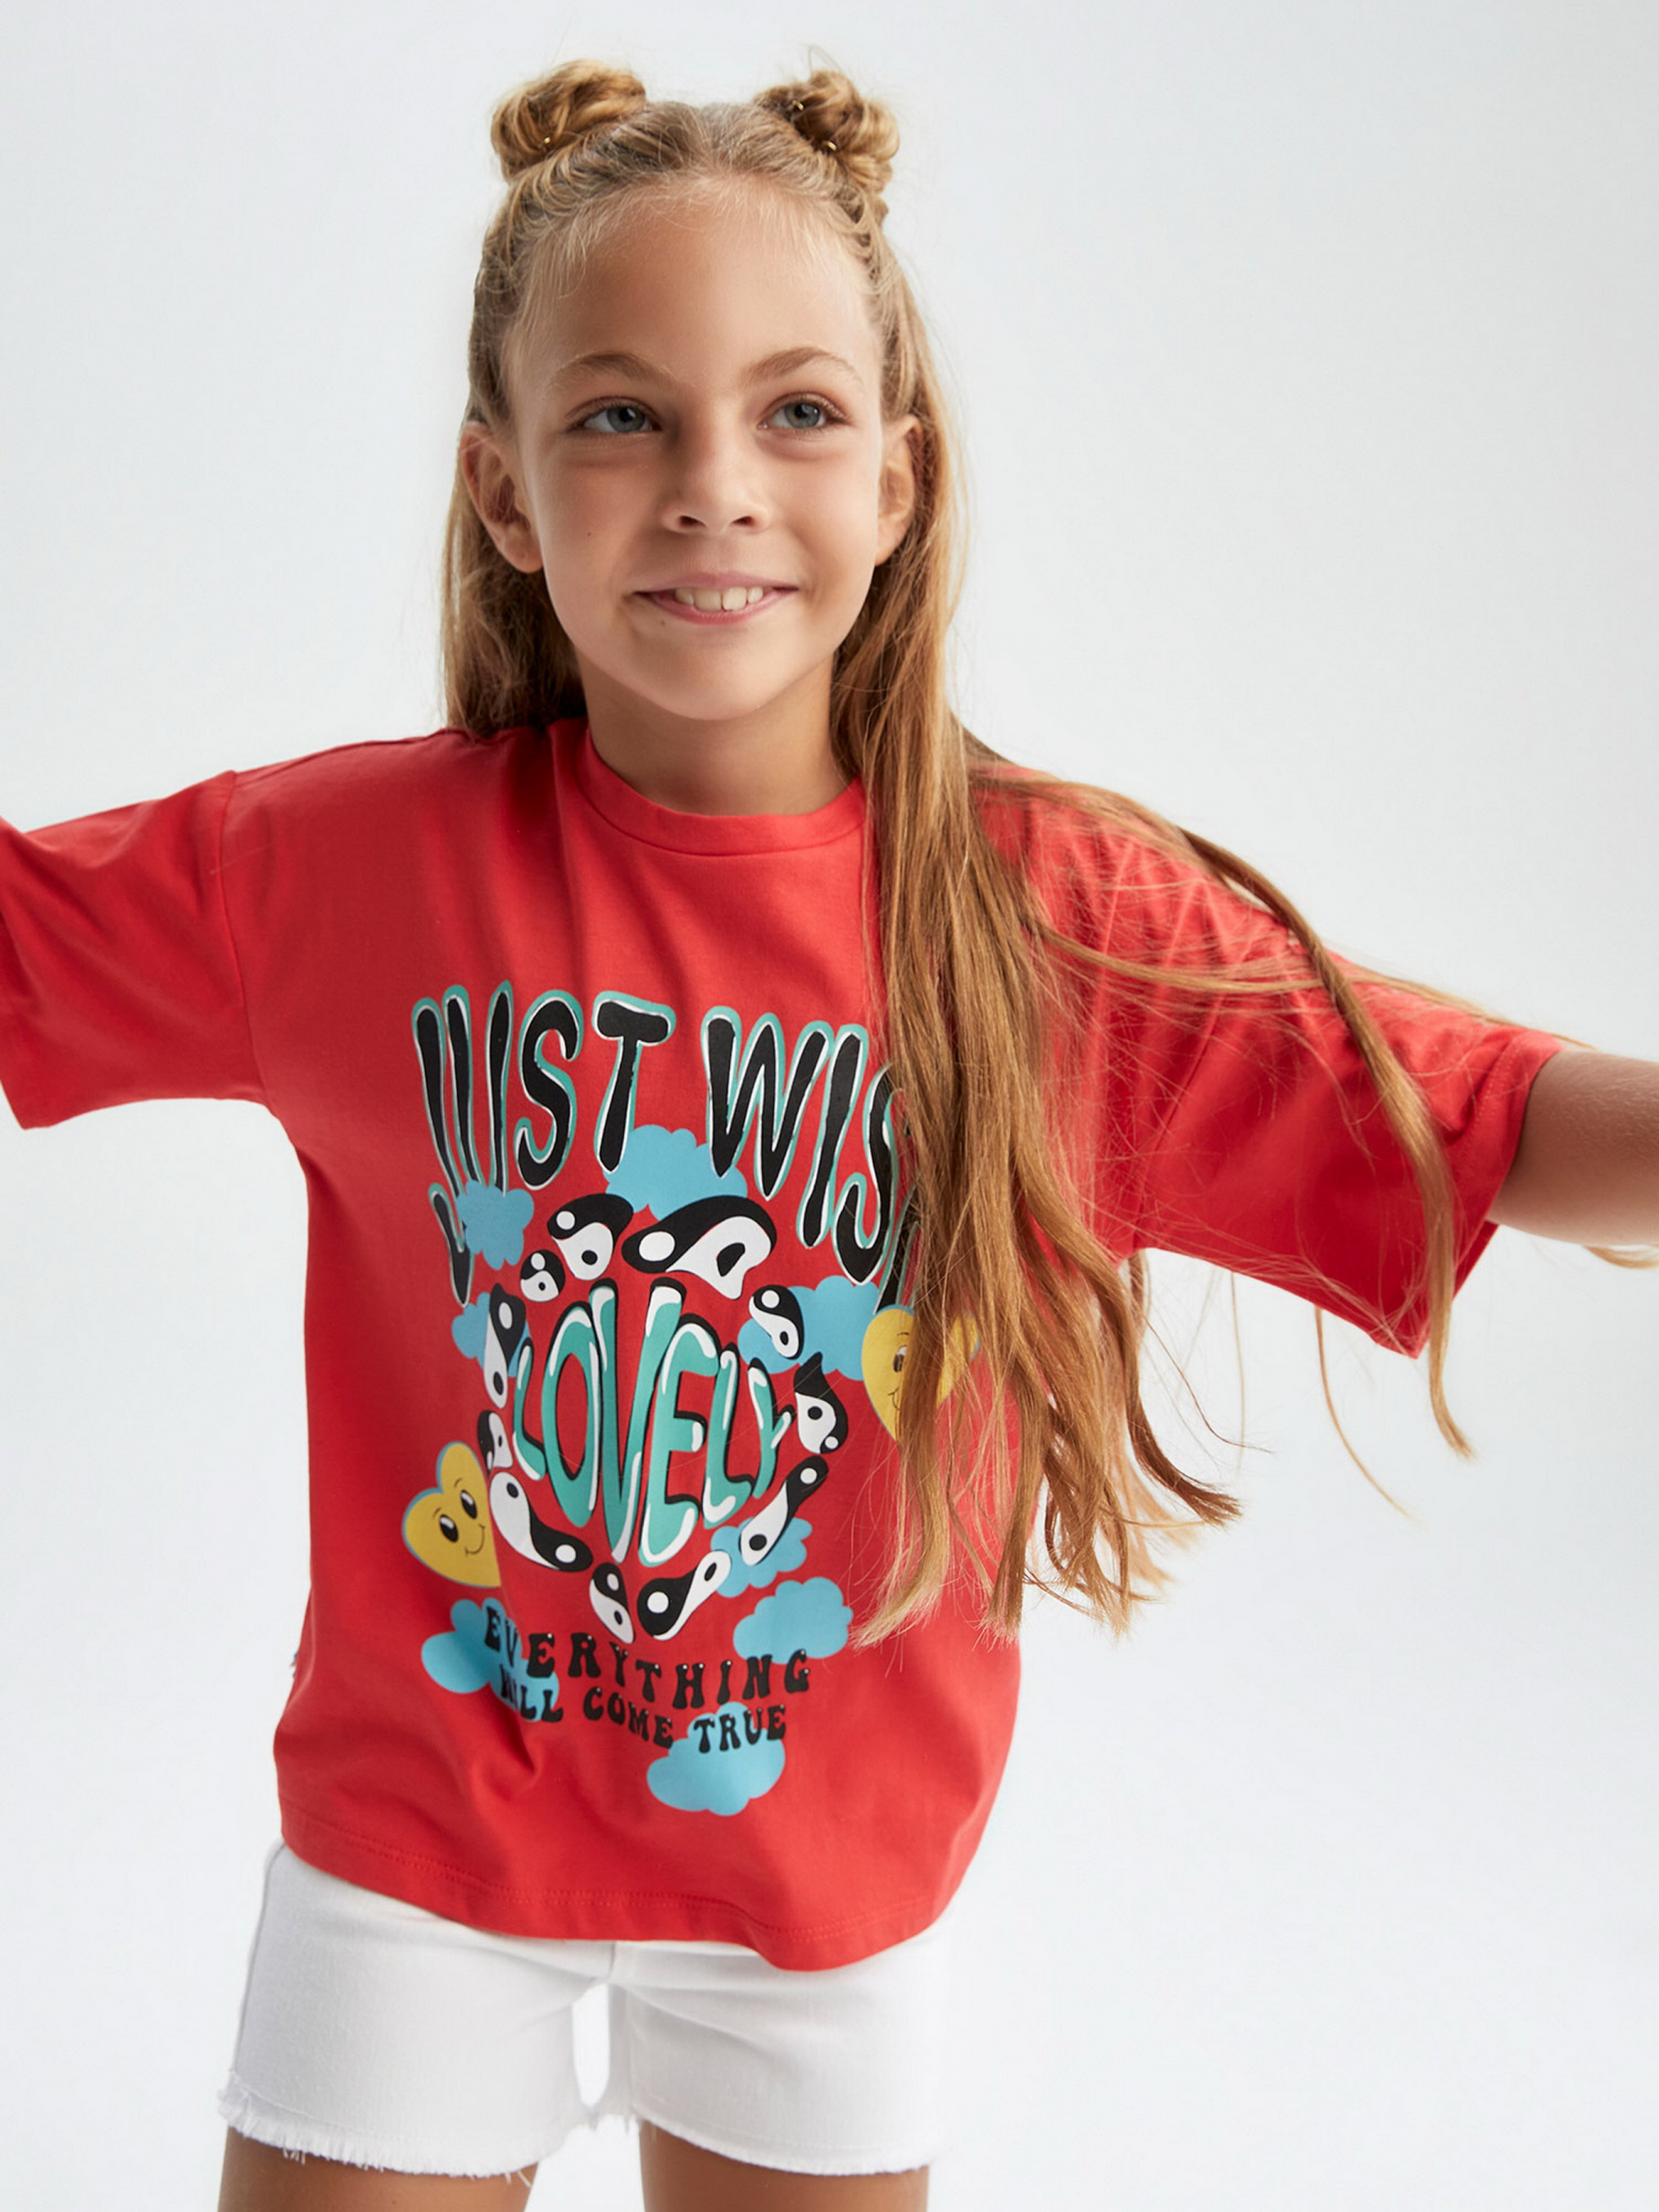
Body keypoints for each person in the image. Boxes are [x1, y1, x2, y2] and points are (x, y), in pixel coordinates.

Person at [0, 57, 1653, 2212]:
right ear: (505, 492)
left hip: (827, 1894)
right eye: (622, 416)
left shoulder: (1047, 924)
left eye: (793, 411)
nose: (714, 486)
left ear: (897, 474)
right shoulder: (332, 874)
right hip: (417, 1860)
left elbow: (1482, 1117)